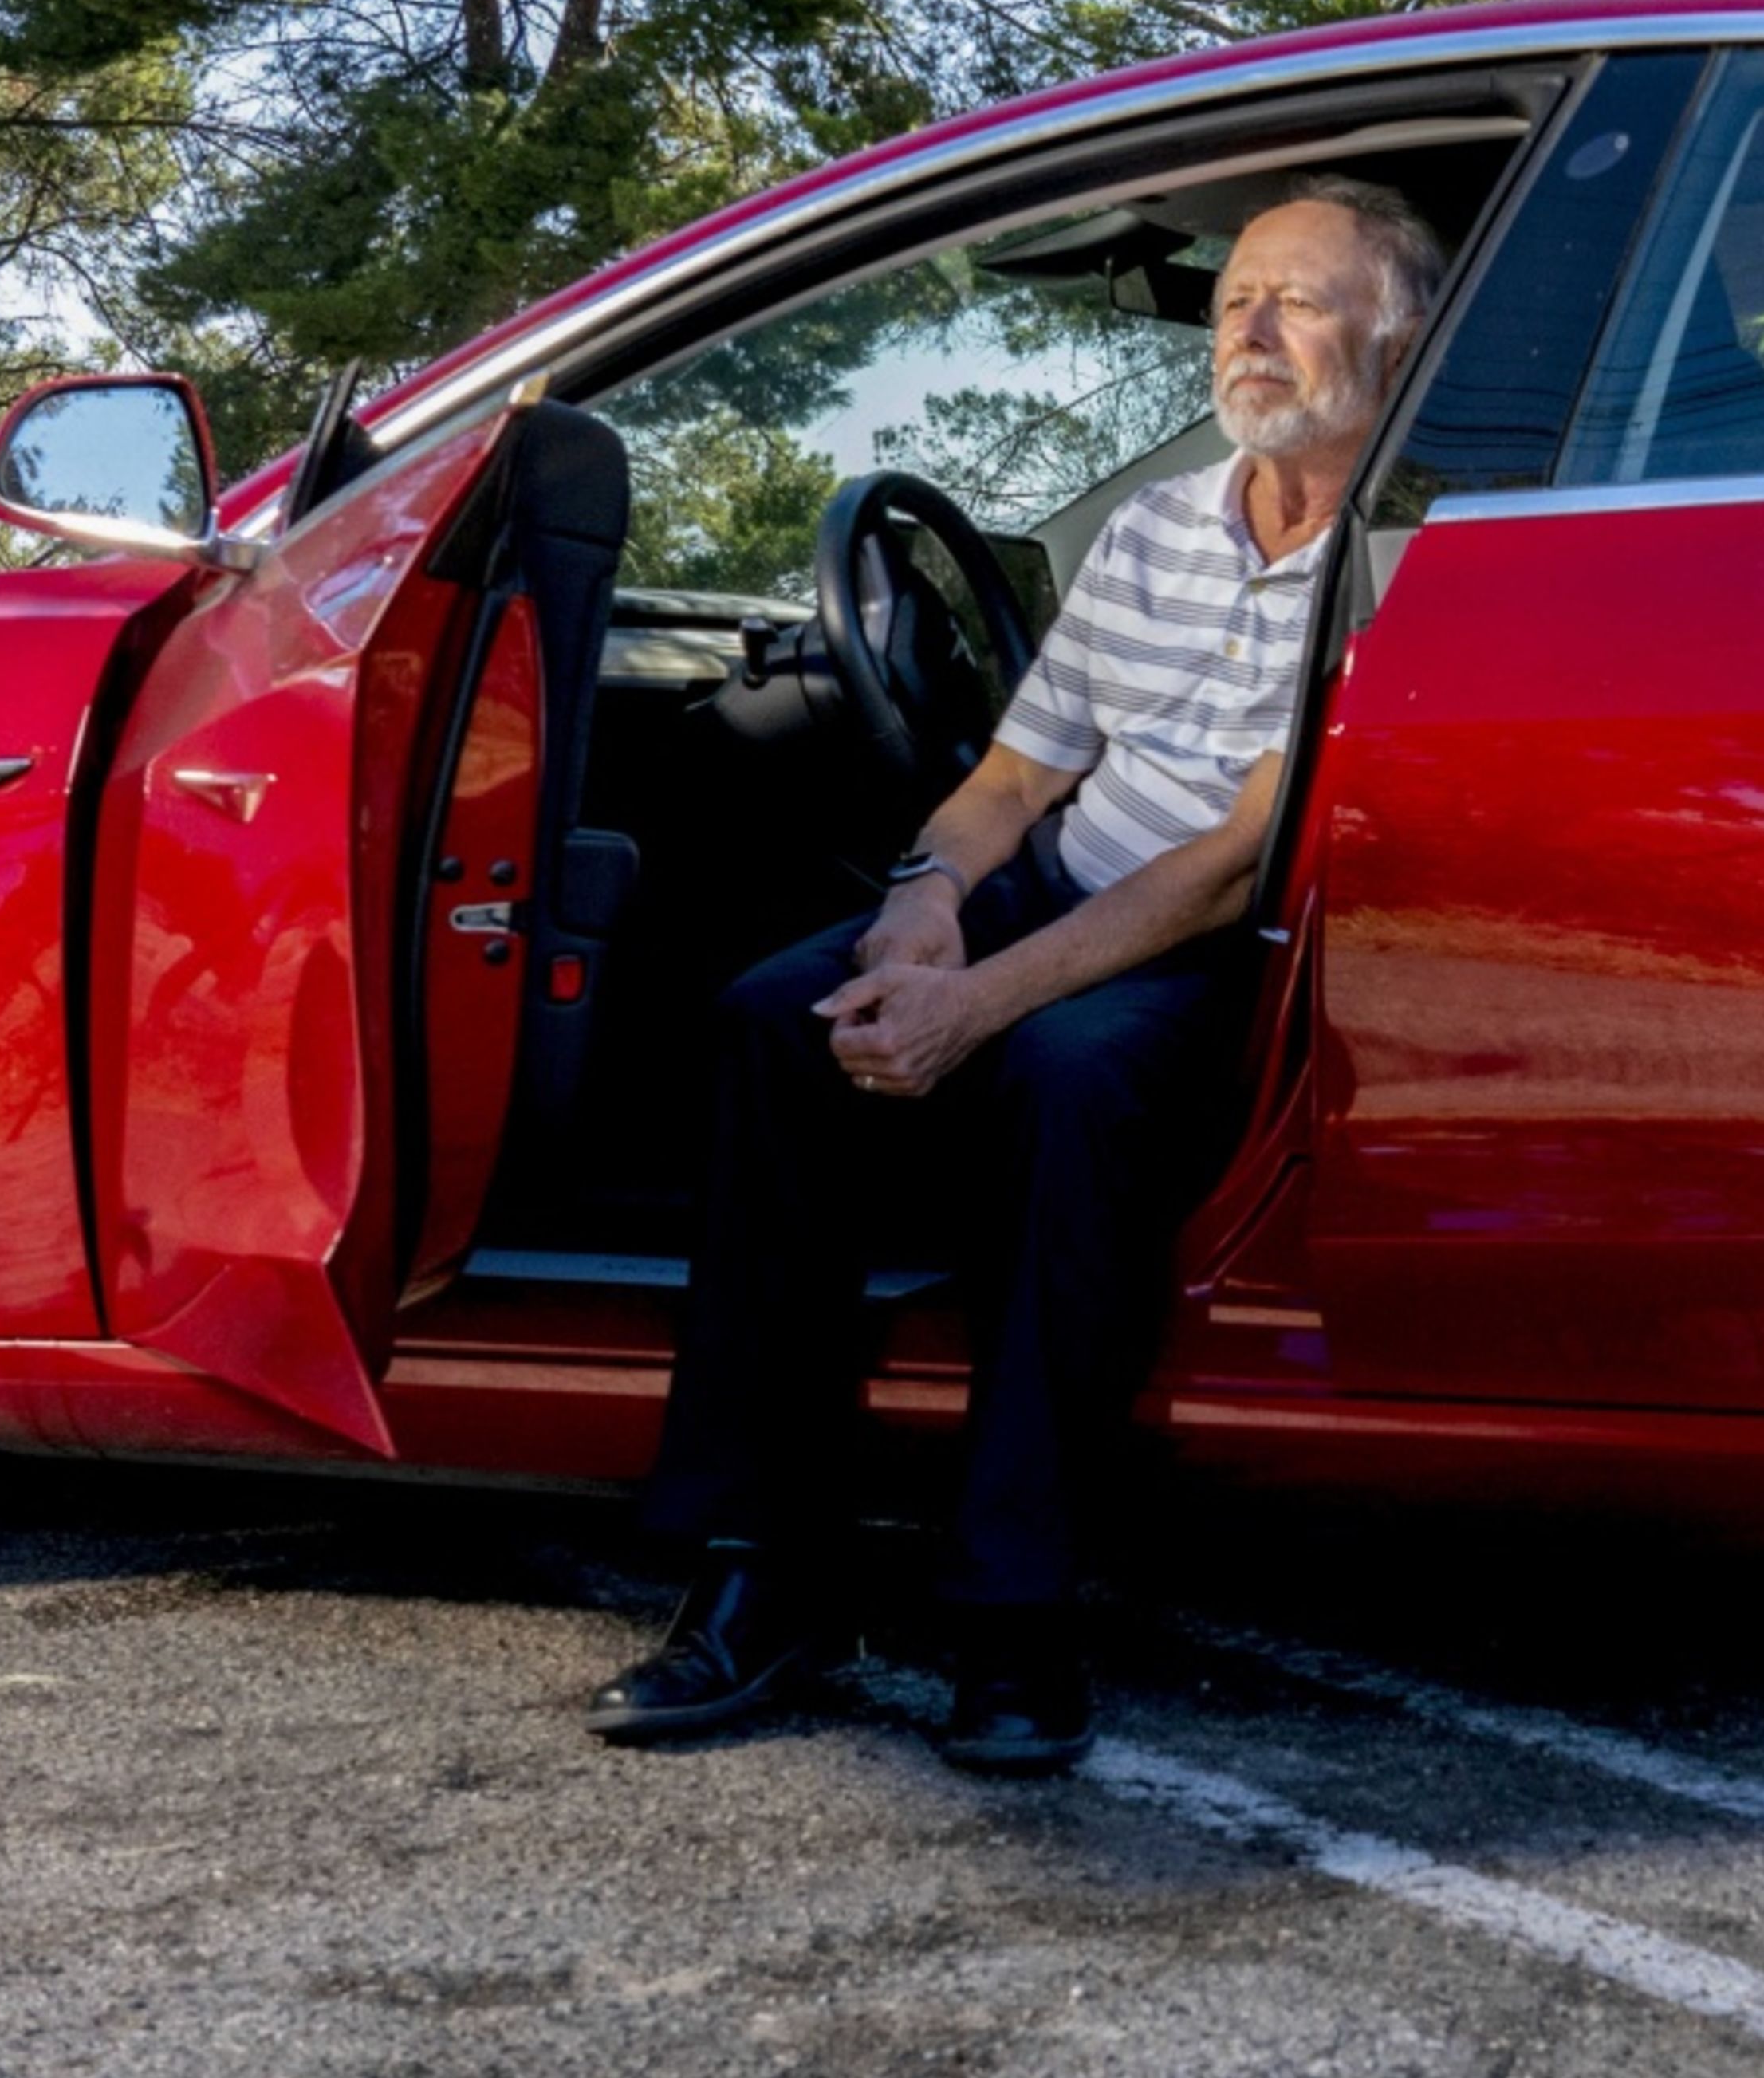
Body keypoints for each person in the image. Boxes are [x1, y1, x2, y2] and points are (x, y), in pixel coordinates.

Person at [588, 180, 1444, 1775]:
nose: (1247, 329)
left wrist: (979, 1003)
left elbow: (1236, 861)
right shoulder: (1155, 525)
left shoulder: (1406, 561)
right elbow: (1016, 774)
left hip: (1223, 945)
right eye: (1233, 298)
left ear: (1393, 336)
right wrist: (920, 906)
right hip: (1068, 881)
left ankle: (1013, 1607)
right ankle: (761, 1570)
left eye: (1297, 300)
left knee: (1062, 1083)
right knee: (780, 1018)